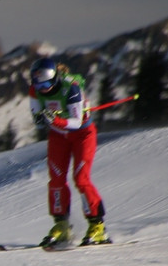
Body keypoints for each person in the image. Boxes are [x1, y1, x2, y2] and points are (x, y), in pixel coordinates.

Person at [28, 57, 110, 247]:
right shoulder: (35, 90)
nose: (43, 87)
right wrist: (43, 118)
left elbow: (77, 121)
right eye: (38, 82)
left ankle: (97, 226)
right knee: (56, 180)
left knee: (81, 179)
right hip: (58, 137)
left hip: (82, 135)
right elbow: (37, 118)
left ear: (55, 77)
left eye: (47, 81)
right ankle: (61, 225)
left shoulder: (71, 88)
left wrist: (55, 120)